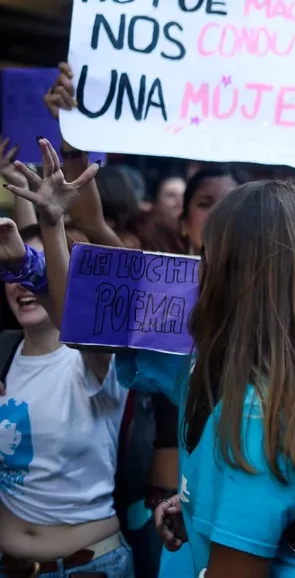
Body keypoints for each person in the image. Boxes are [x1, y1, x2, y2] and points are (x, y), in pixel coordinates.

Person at [41, 178, 295, 577]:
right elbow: (84, 321)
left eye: (209, 255)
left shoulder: (253, 418)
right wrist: (203, 507)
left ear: (231, 273)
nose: (199, 270)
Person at [0, 139, 133, 578]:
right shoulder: (5, 356)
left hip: (90, 568)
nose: (22, 284)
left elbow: (72, 315)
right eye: (13, 274)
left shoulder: (90, 357)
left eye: (34, 273)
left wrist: (53, 221)